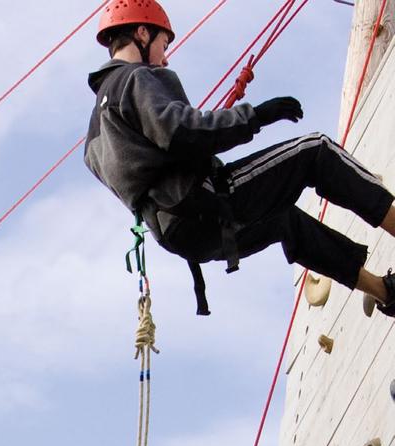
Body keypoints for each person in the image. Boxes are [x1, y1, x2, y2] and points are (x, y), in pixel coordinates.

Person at [84, 0, 395, 315]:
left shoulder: (96, 129)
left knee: (284, 218)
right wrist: (256, 116)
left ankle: (385, 291)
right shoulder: (134, 80)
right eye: (163, 44)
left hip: (179, 232)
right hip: (203, 204)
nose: (164, 59)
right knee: (315, 152)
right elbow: (185, 131)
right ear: (141, 33)